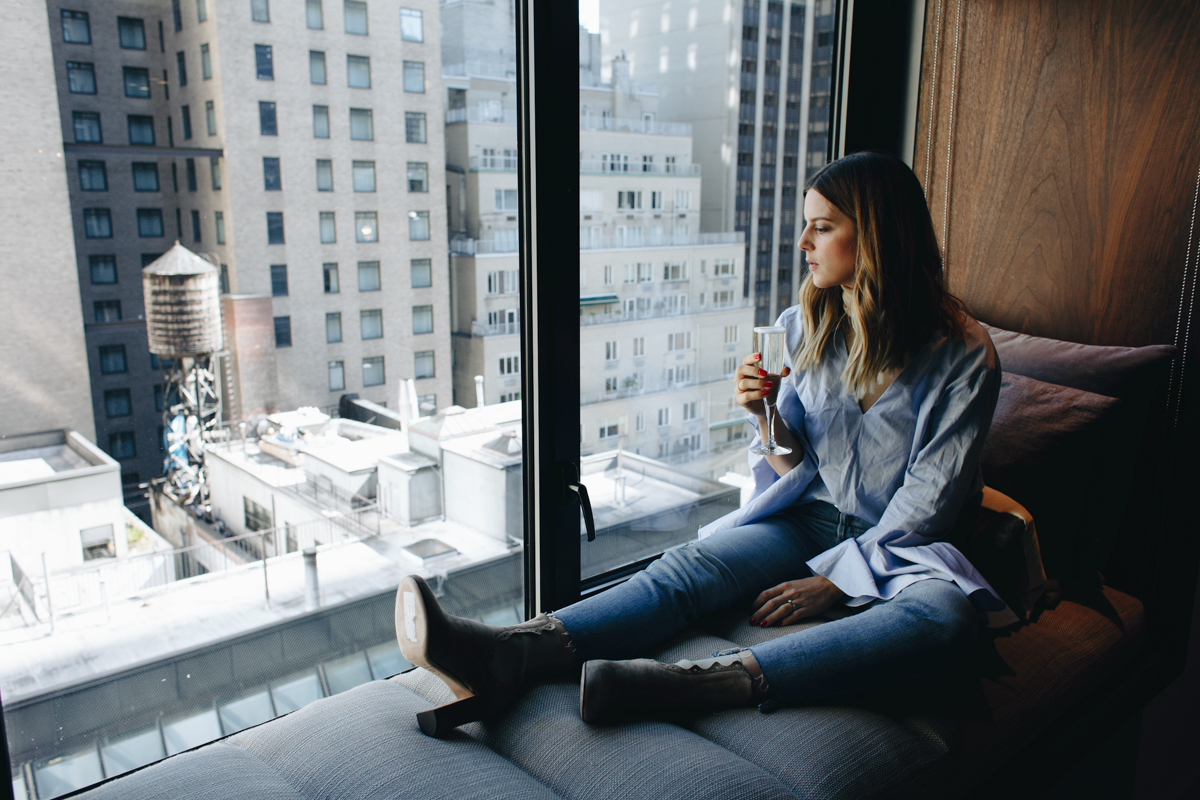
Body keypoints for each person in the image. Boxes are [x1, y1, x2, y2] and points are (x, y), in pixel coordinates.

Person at [395, 151, 1018, 738]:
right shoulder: (804, 327)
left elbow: (926, 505)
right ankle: (510, 652)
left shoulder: (964, 356)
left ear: (879, 236)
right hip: (811, 518)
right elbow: (796, 464)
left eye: (822, 228)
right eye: (807, 226)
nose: (803, 243)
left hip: (900, 544)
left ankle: (694, 685)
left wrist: (836, 581)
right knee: (689, 570)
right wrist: (766, 411)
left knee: (947, 618)